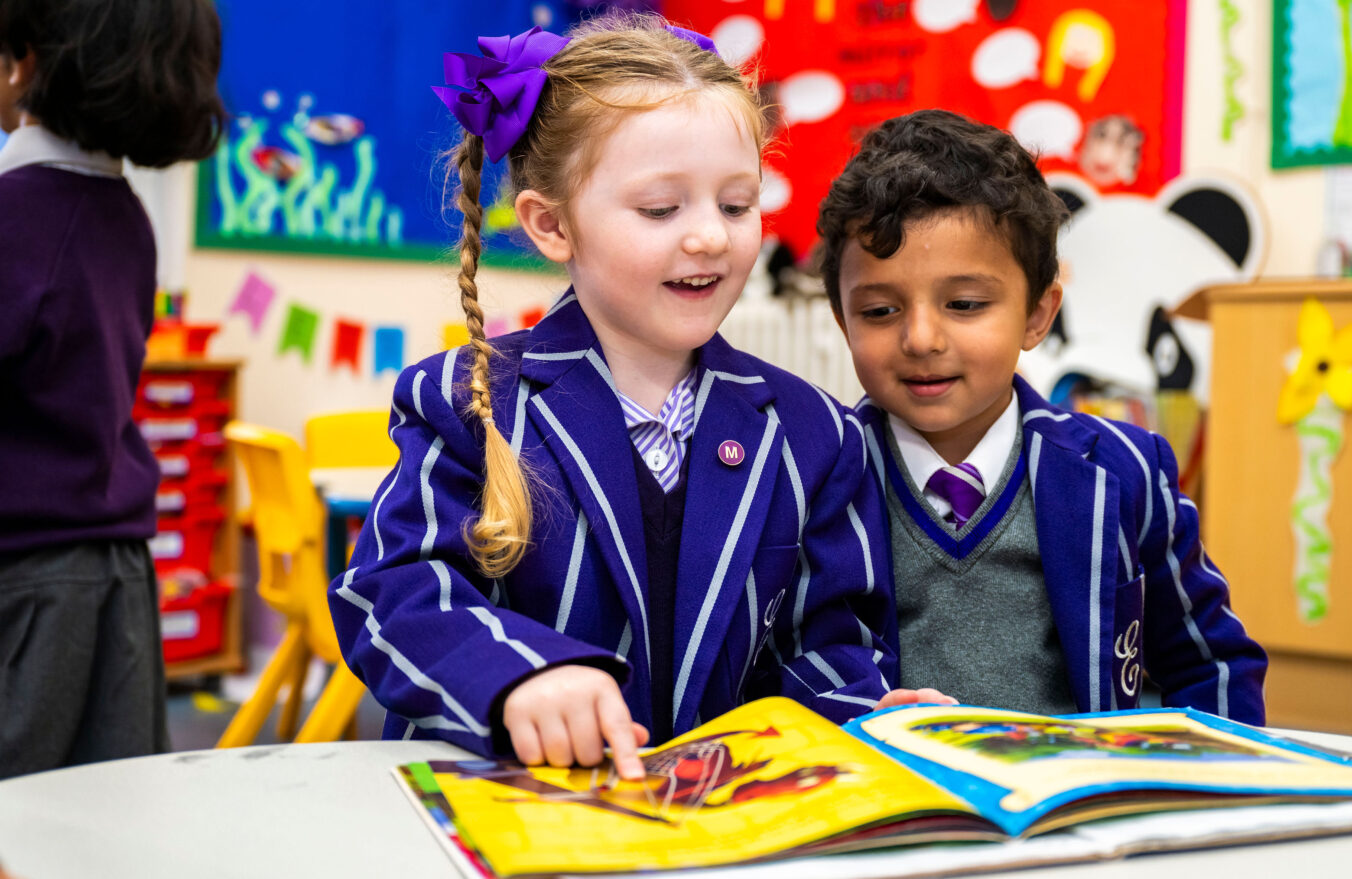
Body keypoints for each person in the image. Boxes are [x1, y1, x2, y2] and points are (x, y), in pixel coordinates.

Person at [330, 15, 944, 781]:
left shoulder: (816, 433)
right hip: (523, 809)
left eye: (736, 204)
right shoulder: (463, 402)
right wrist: (518, 674)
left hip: (723, 820)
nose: (711, 237)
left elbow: (823, 645)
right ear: (552, 225)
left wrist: (861, 710)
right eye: (661, 208)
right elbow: (392, 595)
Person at [816, 109, 1266, 724]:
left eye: (964, 304)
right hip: (894, 783)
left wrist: (1212, 777)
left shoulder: (1125, 472)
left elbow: (1210, 664)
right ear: (843, 320)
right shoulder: (820, 482)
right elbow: (793, 665)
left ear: (1037, 315)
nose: (921, 339)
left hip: (1084, 780)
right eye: (878, 312)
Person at [0, 0, 224, 778]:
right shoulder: (124, 215)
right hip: (114, 581)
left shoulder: (17, 214)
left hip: (27, 587)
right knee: (104, 806)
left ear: (25, 63)